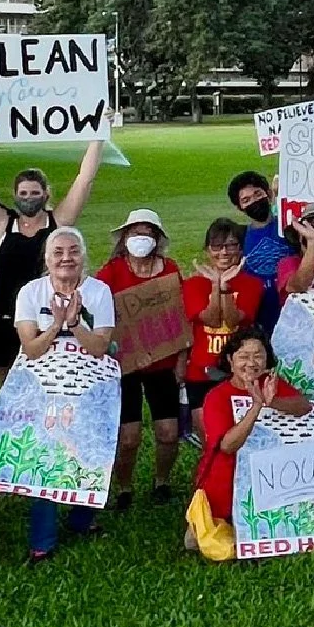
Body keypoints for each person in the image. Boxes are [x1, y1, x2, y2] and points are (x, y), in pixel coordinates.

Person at [0, 137, 104, 387]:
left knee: (47, 386)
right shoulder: (1, 224)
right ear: (15, 195)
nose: (29, 198)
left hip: (47, 318)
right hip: (5, 318)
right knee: (8, 392)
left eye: (35, 193)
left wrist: (99, 136)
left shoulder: (58, 223)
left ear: (46, 194)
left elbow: (84, 180)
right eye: (23, 193)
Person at [14, 227, 117, 562]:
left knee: (88, 446)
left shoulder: (99, 292)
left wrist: (75, 324)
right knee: (47, 453)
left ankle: (81, 518)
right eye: (58, 252)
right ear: (47, 259)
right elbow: (30, 349)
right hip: (44, 384)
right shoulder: (31, 293)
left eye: (73, 251)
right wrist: (57, 325)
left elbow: (100, 347)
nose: (66, 258)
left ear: (83, 256)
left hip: (88, 379)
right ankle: (42, 539)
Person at [189, 327, 312, 554]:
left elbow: (304, 407)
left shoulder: (269, 383)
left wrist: (273, 402)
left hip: (270, 480)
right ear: (230, 360)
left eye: (258, 355)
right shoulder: (217, 396)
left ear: (267, 358)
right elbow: (227, 445)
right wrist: (256, 406)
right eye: (243, 356)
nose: (251, 363)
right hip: (227, 482)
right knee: (214, 543)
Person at [96, 208, 188, 508]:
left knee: (168, 432)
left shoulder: (170, 269)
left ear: (157, 238)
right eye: (136, 231)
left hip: (164, 363)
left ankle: (162, 481)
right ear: (125, 237)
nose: (141, 237)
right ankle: (124, 488)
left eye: (148, 232)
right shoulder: (110, 273)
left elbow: (181, 318)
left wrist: (181, 360)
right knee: (128, 437)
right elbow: (96, 314)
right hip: (124, 366)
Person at [183, 219, 264, 435]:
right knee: (210, 440)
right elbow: (210, 319)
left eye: (231, 245)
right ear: (208, 250)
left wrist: (225, 287)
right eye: (217, 246)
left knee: (241, 438)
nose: (224, 252)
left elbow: (232, 321)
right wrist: (214, 286)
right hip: (201, 373)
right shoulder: (193, 285)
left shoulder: (252, 285)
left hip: (240, 372)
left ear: (240, 248)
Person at [228, 170, 296, 332]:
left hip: (292, 311)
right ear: (240, 208)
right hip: (258, 312)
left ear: (268, 194)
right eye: (246, 200)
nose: (254, 201)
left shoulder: (290, 227)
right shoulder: (240, 236)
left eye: (258, 194)